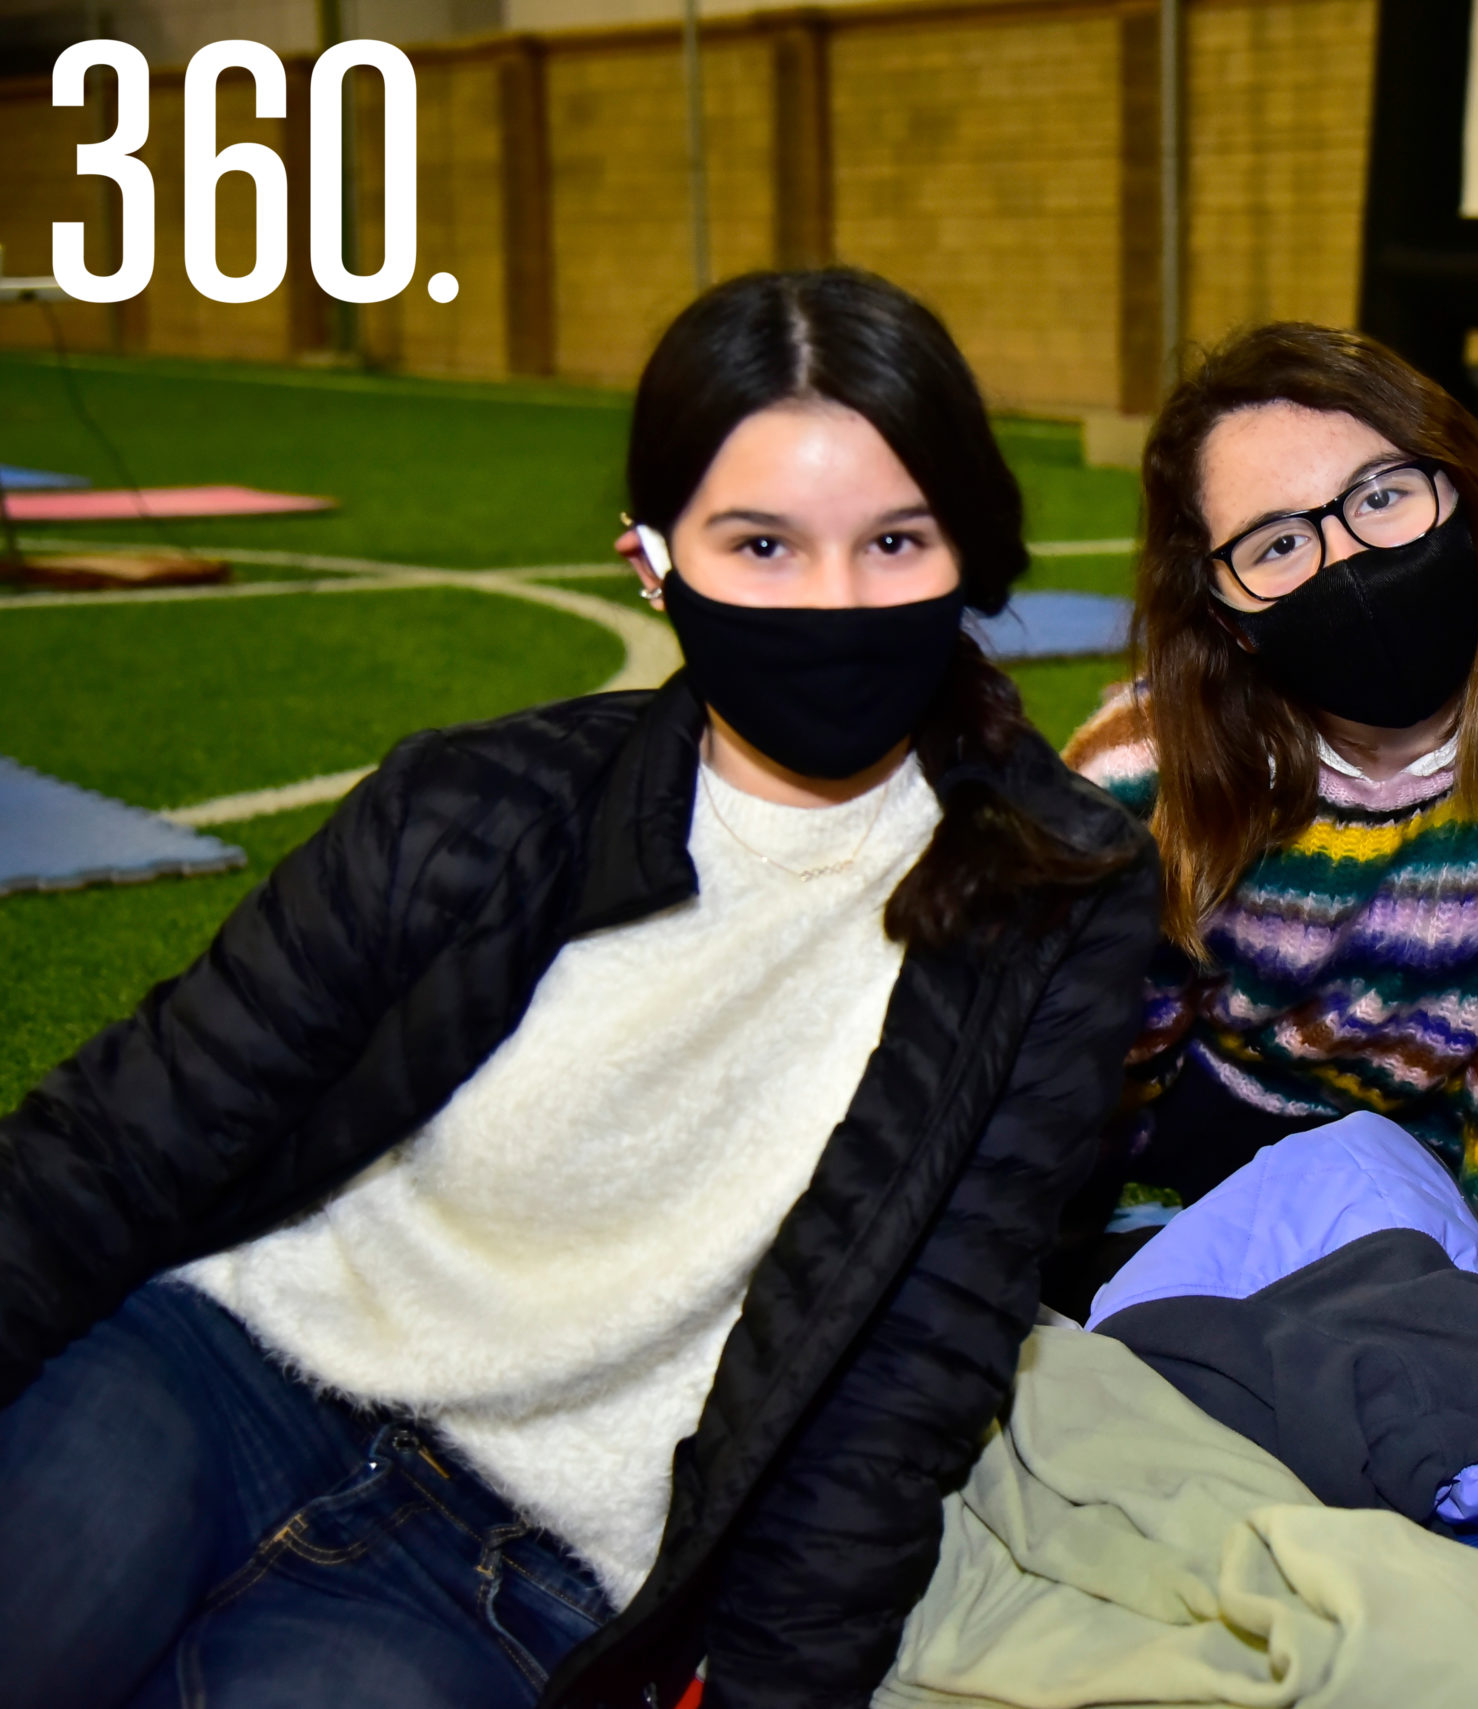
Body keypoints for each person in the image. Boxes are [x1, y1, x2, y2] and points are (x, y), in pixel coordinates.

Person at [0, 268, 1158, 1709]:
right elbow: (129, 1132)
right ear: (649, 560)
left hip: (522, 1565)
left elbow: (907, 1386)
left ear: (973, 555)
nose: (836, 600)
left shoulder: (1057, 902)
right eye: (762, 545)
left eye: (894, 541)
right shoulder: (476, 804)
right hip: (228, 1368)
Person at [1053, 321, 1478, 1362]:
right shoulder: (1142, 769)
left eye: (1379, 495)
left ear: (1464, 493)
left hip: (1429, 1126)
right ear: (1227, 615)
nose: (1350, 561)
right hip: (1213, 1088)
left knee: (1408, 1328)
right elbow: (1085, 1053)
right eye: (1276, 543)